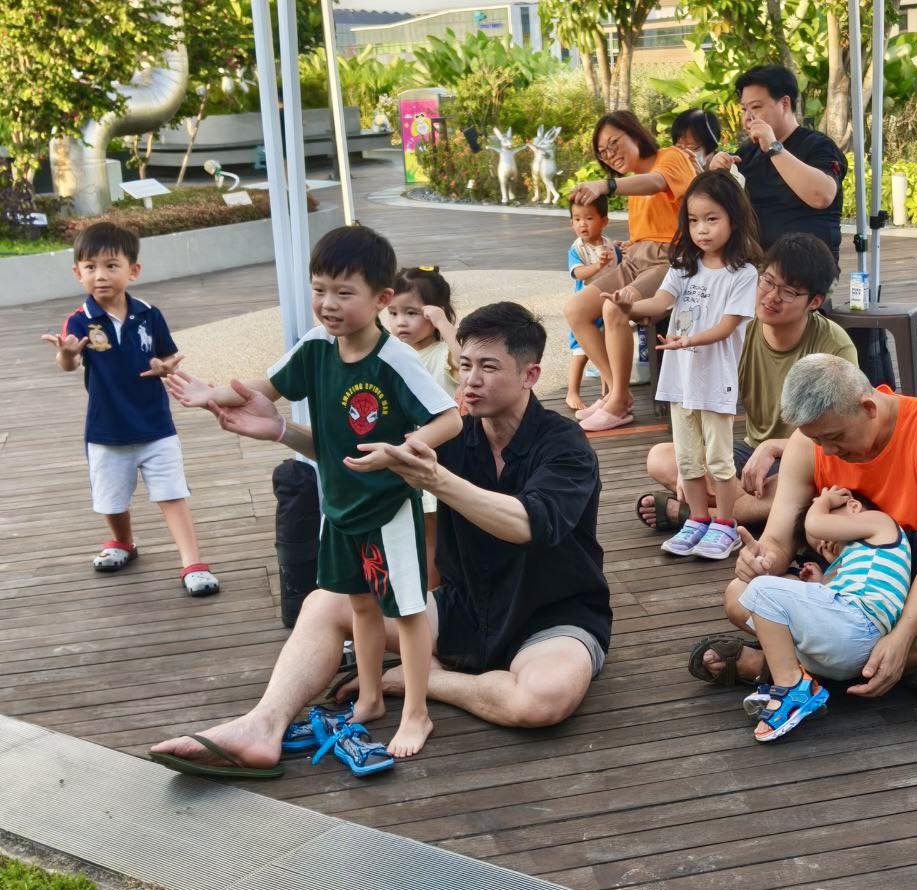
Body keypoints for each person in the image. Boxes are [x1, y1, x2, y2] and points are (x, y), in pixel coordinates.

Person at [148, 302, 611, 777]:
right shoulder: (455, 432)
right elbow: (364, 455)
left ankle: (418, 680)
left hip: (551, 618)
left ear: (531, 375)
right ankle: (261, 726)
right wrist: (283, 430)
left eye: (489, 368)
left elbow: (528, 525)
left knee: (542, 699)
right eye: (466, 364)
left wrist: (436, 480)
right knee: (324, 604)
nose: (471, 381)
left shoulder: (565, 445)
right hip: (463, 609)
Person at [164, 226, 463, 762]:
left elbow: (450, 418)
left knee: (407, 610)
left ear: (381, 299)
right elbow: (265, 388)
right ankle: (370, 696)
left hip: (388, 509)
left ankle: (417, 712)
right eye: (319, 289)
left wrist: (401, 451)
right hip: (339, 507)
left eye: (344, 293)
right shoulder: (317, 347)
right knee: (360, 604)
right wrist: (211, 393)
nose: (328, 304)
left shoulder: (395, 359)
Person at [706, 355, 917, 708]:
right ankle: (903, 668)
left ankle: (780, 668)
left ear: (868, 408)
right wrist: (760, 561)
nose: (827, 451)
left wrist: (902, 635)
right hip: (845, 587)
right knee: (738, 594)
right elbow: (777, 539)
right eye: (817, 440)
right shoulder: (808, 443)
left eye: (835, 437)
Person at [40, 221, 219, 598]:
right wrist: (66, 354)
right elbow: (70, 364)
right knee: (112, 498)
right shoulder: (80, 319)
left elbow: (167, 354)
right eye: (90, 267)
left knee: (172, 494)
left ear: (133, 270)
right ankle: (123, 542)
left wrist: (164, 367)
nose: (100, 275)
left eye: (111, 265)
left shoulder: (149, 314)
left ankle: (192, 562)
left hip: (156, 425)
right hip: (106, 429)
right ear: (77, 273)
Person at [636, 233, 856, 532]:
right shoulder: (738, 329)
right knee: (663, 458)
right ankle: (747, 511)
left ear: (814, 301)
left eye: (788, 292)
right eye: (767, 282)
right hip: (750, 455)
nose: (771, 297)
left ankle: (699, 515)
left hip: (806, 456)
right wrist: (694, 462)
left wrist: (775, 448)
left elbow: (844, 432)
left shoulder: (834, 346)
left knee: (804, 484)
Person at [609, 170, 761, 560]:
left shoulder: (743, 274)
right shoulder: (683, 266)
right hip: (680, 380)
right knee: (688, 458)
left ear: (733, 220)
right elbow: (659, 304)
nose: (702, 230)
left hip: (715, 380)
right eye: (693, 221)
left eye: (712, 219)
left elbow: (728, 326)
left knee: (719, 460)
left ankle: (725, 524)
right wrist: (629, 306)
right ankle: (697, 519)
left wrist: (688, 340)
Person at [736, 486, 912, 742]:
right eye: (820, 548)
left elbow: (816, 524)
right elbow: (833, 603)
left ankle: (791, 687)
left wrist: (823, 501)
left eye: (827, 537)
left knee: (762, 589)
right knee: (772, 614)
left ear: (853, 506)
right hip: (848, 651)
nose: (824, 543)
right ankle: (800, 685)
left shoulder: (882, 524)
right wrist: (821, 582)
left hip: (858, 626)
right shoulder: (855, 562)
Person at [565, 111, 697, 432]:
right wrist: (630, 244)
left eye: (614, 143)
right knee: (575, 309)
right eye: (603, 152)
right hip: (637, 260)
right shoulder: (632, 185)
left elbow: (657, 183)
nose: (610, 155)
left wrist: (606, 185)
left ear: (635, 134)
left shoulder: (671, 156)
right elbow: (650, 229)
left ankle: (617, 400)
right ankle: (617, 393)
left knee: (615, 307)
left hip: (672, 261)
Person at [707, 64, 848, 267]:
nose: (748, 118)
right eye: (744, 109)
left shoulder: (818, 145)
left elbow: (822, 196)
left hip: (808, 267)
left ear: (785, 103)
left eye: (756, 107)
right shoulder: (746, 153)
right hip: (754, 264)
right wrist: (716, 175)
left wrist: (774, 147)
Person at [387, 265, 462, 591]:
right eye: (393, 313)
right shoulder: (392, 352)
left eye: (411, 313)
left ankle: (430, 594)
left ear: (433, 313)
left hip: (436, 456)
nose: (400, 322)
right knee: (410, 531)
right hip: (401, 455)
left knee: (431, 532)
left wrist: (444, 324)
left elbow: (466, 364)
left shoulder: (443, 353)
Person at [565, 196, 621, 411]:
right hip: (585, 310)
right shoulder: (577, 249)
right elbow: (578, 273)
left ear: (604, 221)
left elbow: (620, 266)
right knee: (581, 352)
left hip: (606, 307)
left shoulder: (609, 245)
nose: (582, 224)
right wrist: (597, 266)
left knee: (607, 351)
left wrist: (621, 251)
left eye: (589, 218)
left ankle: (608, 393)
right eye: (577, 219)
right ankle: (572, 391)